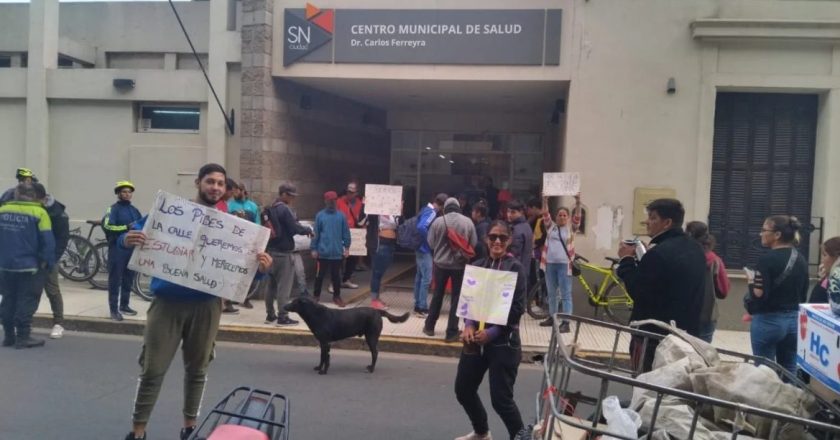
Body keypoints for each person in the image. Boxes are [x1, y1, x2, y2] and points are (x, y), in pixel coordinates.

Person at [121, 163, 273, 440]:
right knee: (152, 369)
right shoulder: (171, 212)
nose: (215, 187)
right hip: (166, 303)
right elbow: (133, 236)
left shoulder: (235, 229)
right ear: (198, 183)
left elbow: (244, 276)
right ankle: (138, 431)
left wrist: (261, 270)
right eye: (210, 182)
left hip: (207, 306)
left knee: (197, 370)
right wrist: (126, 240)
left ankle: (190, 428)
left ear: (225, 189)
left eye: (220, 183)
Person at [454, 220, 527, 440]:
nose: (497, 241)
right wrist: (468, 325)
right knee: (464, 389)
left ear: (509, 241)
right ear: (486, 239)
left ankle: (521, 437)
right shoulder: (478, 266)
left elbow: (517, 308)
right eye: (493, 237)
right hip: (476, 339)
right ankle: (481, 431)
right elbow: (469, 299)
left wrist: (493, 332)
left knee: (501, 400)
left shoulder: (516, 269)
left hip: (503, 342)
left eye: (502, 238)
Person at [617, 198, 706, 372]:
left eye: (652, 218)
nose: (647, 222)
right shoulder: (695, 248)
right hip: (686, 335)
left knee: (646, 385)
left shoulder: (659, 253)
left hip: (653, 337)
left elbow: (638, 290)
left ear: (667, 223)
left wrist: (626, 261)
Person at [745, 215, 809, 376]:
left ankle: (766, 401)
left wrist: (751, 280)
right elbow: (803, 293)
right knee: (789, 369)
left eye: (764, 230)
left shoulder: (766, 260)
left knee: (764, 372)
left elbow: (758, 294)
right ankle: (790, 400)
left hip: (769, 321)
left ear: (777, 235)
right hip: (794, 321)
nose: (760, 234)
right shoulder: (800, 259)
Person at [0, 182, 55, 349]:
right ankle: (23, 336)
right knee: (26, 299)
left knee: (8, 299)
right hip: (29, 266)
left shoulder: (2, 211)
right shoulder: (39, 213)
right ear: (33, 196)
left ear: (16, 194)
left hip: (5, 265)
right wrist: (48, 263)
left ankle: (8, 336)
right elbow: (47, 241)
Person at [424, 198, 477, 342]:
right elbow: (473, 243)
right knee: (456, 298)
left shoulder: (438, 222)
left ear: (445, 208)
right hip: (459, 266)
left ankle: (429, 326)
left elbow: (431, 243)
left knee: (437, 295)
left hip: (440, 265)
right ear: (458, 208)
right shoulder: (467, 222)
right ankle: (451, 332)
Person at [263, 182, 312, 325]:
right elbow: (293, 228)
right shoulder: (284, 209)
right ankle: (282, 317)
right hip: (283, 254)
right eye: (290, 195)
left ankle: (270, 315)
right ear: (283, 194)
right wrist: (307, 230)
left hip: (270, 252)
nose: (293, 198)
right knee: (283, 287)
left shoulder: (270, 207)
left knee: (270, 285)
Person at [103, 180, 143, 321]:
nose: (127, 194)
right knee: (115, 280)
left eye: (129, 192)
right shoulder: (113, 209)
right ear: (118, 193)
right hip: (117, 249)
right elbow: (107, 226)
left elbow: (141, 225)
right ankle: (114, 310)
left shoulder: (134, 210)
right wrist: (126, 227)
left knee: (128, 278)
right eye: (124, 191)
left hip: (131, 250)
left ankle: (124, 305)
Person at [684, 221, 730, 343]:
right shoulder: (715, 261)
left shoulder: (680, 257)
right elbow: (723, 291)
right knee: (702, 352)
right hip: (705, 314)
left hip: (681, 313)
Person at [540, 206, 581, 331]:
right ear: (556, 217)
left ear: (568, 218)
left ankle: (566, 323)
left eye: (564, 215)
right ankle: (553, 318)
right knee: (552, 294)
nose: (562, 217)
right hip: (550, 264)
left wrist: (578, 203)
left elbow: (578, 218)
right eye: (559, 215)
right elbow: (545, 214)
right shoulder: (551, 227)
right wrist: (545, 200)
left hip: (565, 265)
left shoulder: (571, 229)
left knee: (565, 295)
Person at [311, 191, 351, 308]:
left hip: (337, 253)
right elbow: (316, 233)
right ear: (325, 201)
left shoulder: (341, 216)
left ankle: (337, 297)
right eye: (330, 201)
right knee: (319, 276)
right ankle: (316, 296)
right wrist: (314, 248)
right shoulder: (320, 216)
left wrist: (347, 247)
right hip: (322, 252)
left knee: (336, 277)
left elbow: (346, 233)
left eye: (334, 200)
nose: (332, 203)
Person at [413, 193, 447, 317]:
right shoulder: (432, 212)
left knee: (420, 277)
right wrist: (430, 241)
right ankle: (422, 307)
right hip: (424, 249)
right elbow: (422, 227)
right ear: (442, 205)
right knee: (426, 278)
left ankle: (417, 305)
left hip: (419, 248)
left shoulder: (425, 209)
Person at [43, 193, 70, 339]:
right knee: (30, 292)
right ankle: (23, 323)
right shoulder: (35, 208)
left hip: (50, 257)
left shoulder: (58, 213)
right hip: (32, 257)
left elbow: (62, 238)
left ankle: (58, 323)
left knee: (52, 290)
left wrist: (53, 258)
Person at [366, 207, 401, 310]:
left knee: (381, 273)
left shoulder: (393, 213)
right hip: (380, 243)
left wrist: (400, 211)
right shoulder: (374, 213)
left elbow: (400, 224)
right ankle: (374, 300)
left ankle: (377, 297)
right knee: (376, 272)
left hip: (390, 244)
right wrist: (366, 205)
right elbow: (361, 221)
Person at [336, 181, 364, 289]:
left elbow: (362, 217)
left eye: (352, 192)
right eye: (348, 192)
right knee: (339, 258)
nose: (350, 194)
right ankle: (334, 282)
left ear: (356, 193)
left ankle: (346, 279)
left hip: (355, 232)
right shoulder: (339, 201)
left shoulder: (360, 203)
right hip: (342, 232)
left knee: (353, 258)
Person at [506, 200, 533, 288]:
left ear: (521, 212)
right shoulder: (526, 226)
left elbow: (514, 253)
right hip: (525, 269)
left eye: (513, 212)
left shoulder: (517, 229)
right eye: (508, 211)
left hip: (515, 271)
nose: (509, 215)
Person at [809, 236, 840, 303]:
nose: (822, 260)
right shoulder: (827, 279)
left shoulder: (836, 284)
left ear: (837, 258)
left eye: (824, 255)